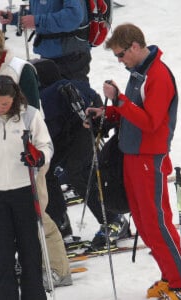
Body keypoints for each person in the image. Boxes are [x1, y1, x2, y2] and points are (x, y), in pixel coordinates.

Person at [84, 23, 181, 299]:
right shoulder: (138, 72)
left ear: (135, 47)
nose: (120, 61)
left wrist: (120, 101)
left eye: (121, 55)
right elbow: (134, 113)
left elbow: (150, 122)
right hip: (131, 155)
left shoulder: (158, 74)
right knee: (144, 223)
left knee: (158, 222)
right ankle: (170, 277)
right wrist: (108, 113)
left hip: (150, 158)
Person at [0, 22, 72, 288]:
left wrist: (34, 153)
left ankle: (58, 268)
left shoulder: (21, 70)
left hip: (29, 153)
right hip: (1, 161)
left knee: (38, 216)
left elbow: (31, 111)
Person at [0, 75, 52, 299]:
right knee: (2, 249)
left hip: (24, 189)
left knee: (29, 247)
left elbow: (46, 145)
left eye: (5, 103)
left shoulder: (30, 115)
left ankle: (33, 294)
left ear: (14, 98)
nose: (0, 107)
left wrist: (38, 156)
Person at [32, 58, 130, 248]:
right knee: (51, 173)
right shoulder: (72, 85)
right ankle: (61, 224)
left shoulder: (45, 97)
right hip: (81, 129)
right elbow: (95, 99)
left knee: (76, 173)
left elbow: (45, 129)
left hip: (74, 132)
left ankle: (112, 220)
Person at [0, 0, 91, 81]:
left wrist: (37, 21)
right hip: (48, 56)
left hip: (71, 56)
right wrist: (15, 18)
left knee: (74, 98)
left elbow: (73, 17)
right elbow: (41, 12)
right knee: (50, 98)